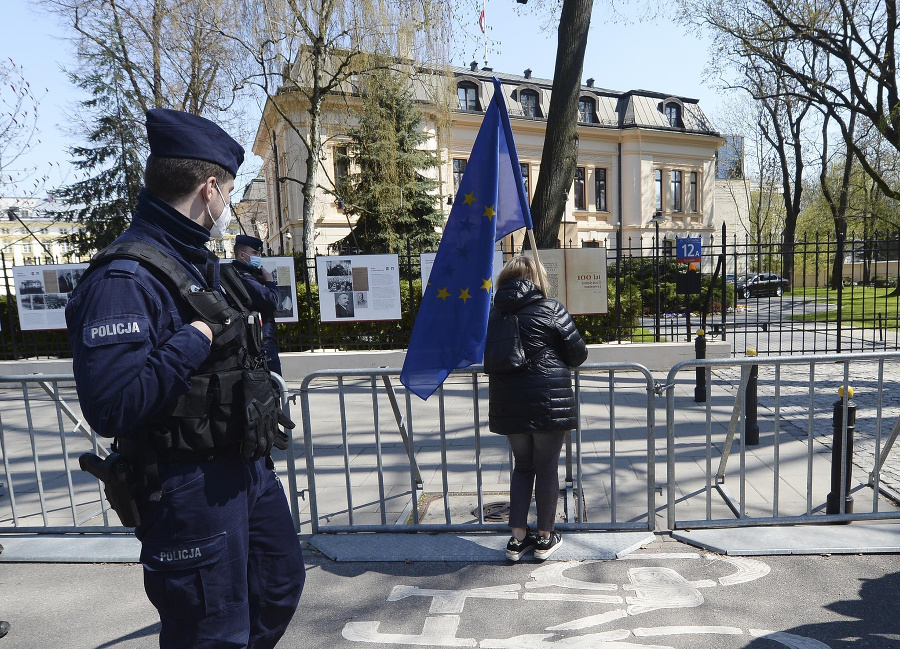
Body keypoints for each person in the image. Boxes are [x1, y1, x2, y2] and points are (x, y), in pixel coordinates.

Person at [65, 108, 305, 649]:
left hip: (243, 469)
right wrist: (191, 340)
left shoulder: (196, 263)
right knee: (210, 634)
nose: (227, 206)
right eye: (227, 193)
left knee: (278, 584)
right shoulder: (123, 277)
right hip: (185, 485)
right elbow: (111, 406)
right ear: (209, 187)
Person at [484, 255, 587, 562]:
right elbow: (578, 354)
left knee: (522, 466)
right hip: (547, 401)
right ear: (537, 278)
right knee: (546, 467)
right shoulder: (551, 308)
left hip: (509, 404)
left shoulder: (494, 314)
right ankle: (544, 537)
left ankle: (517, 539)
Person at [233, 234, 282, 376]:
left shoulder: (246, 274)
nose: (258, 256)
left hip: (256, 338)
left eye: (259, 253)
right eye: (254, 253)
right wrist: (269, 282)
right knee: (274, 386)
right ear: (242, 255)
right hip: (260, 341)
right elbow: (272, 301)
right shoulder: (244, 276)